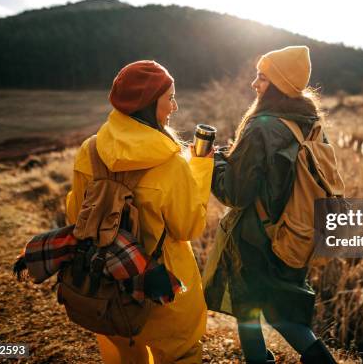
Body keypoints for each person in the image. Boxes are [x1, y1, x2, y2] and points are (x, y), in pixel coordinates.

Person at [65, 60, 214, 363]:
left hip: (104, 283)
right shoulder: (171, 165)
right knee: (180, 354)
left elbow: (74, 214)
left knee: (121, 352)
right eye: (170, 97)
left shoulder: (90, 150)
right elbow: (189, 227)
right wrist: (200, 165)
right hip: (163, 288)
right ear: (148, 105)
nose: (175, 106)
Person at [203, 46, 337, 363]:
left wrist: (213, 162)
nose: (254, 84)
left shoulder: (261, 126)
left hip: (257, 238)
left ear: (278, 83)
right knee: (282, 311)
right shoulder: (309, 123)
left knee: (250, 307)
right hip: (297, 234)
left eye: (262, 77)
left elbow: (235, 194)